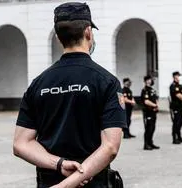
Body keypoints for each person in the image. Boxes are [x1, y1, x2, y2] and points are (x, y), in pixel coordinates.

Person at [13, 2, 126, 188]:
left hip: (49, 181)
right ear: (88, 32)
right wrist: (70, 184)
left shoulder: (38, 83)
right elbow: (111, 147)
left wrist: (59, 165)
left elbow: (21, 143)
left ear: (58, 38)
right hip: (93, 183)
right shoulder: (106, 81)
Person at [169, 71, 182, 144]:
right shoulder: (173, 85)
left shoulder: (179, 85)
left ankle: (179, 136)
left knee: (180, 122)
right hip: (175, 106)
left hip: (180, 106)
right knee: (176, 122)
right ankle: (174, 138)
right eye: (178, 76)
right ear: (175, 76)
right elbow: (178, 95)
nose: (179, 77)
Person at [141, 75, 160, 150]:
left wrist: (156, 106)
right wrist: (155, 105)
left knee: (152, 128)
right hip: (148, 112)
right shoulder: (145, 90)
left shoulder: (152, 89)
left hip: (153, 111)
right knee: (148, 128)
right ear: (145, 81)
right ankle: (146, 144)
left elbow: (155, 99)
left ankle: (150, 143)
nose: (150, 81)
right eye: (148, 79)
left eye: (150, 79)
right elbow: (146, 101)